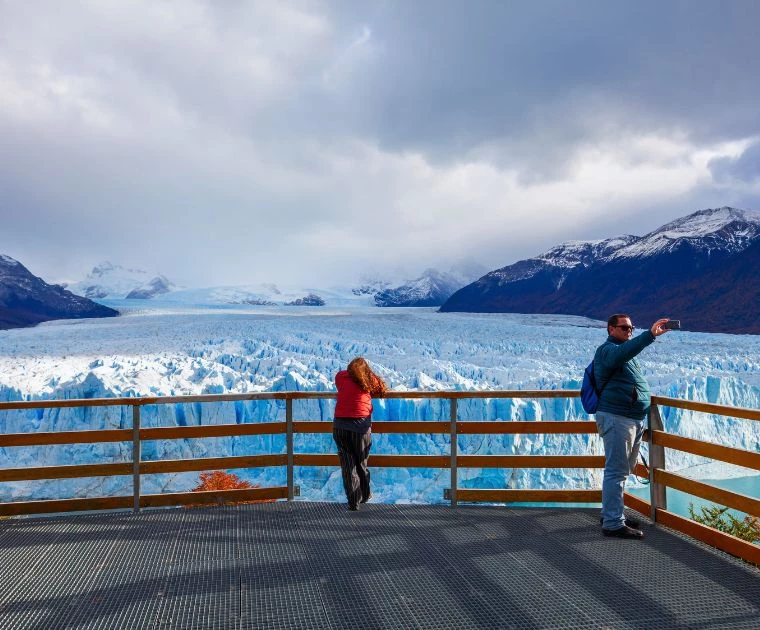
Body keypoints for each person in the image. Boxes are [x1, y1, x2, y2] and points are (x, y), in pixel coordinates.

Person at [594, 314, 672, 539]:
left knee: (624, 469)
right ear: (611, 329)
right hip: (618, 418)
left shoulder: (623, 351)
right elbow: (621, 354)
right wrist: (649, 335)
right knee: (616, 471)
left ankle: (612, 513)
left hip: (631, 419)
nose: (630, 331)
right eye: (625, 328)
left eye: (631, 328)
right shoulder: (607, 350)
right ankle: (612, 524)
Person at [333, 357, 388, 511]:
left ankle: (353, 501)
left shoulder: (341, 377)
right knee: (361, 464)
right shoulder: (368, 380)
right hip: (360, 428)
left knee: (347, 465)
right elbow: (381, 388)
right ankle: (364, 495)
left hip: (340, 427)